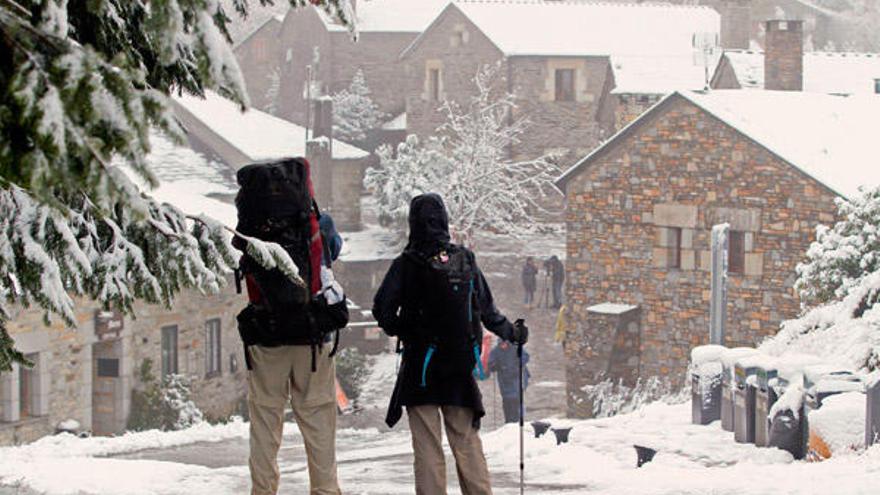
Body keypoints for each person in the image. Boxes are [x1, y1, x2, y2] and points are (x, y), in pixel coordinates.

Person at [373, 193, 528, 495]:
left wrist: (406, 329)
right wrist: (513, 333)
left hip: (420, 369)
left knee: (428, 449)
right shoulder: (464, 259)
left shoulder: (406, 264)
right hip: (458, 368)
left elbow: (382, 309)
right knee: (467, 443)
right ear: (444, 220)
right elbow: (487, 311)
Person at [487, 339, 530, 424]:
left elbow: (526, 357)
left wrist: (518, 363)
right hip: (504, 380)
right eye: (501, 344)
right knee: (507, 400)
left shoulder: (515, 348)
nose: (503, 346)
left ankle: (517, 421)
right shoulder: (496, 351)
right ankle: (508, 421)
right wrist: (495, 366)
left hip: (517, 378)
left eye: (504, 344)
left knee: (516, 399)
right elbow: (491, 364)